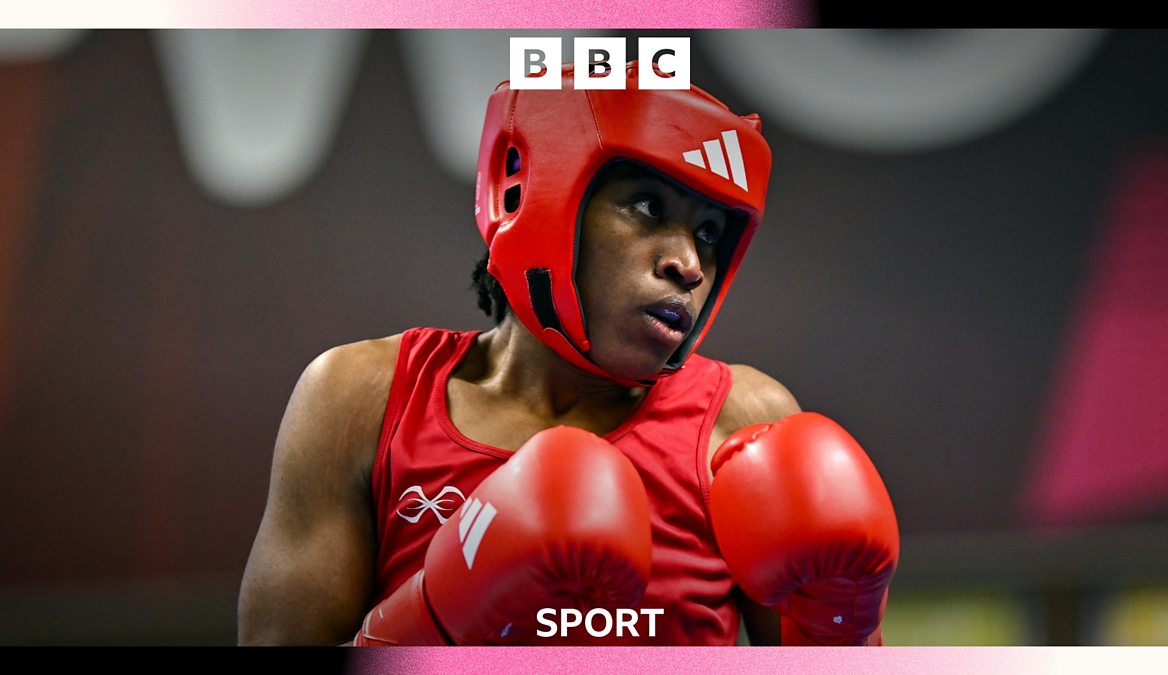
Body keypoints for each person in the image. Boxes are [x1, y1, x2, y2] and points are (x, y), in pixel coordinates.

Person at [236, 61, 899, 646]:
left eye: (707, 233)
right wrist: (434, 616)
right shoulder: (364, 398)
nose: (688, 263)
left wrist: (841, 627)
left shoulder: (742, 422)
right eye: (648, 207)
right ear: (537, 196)